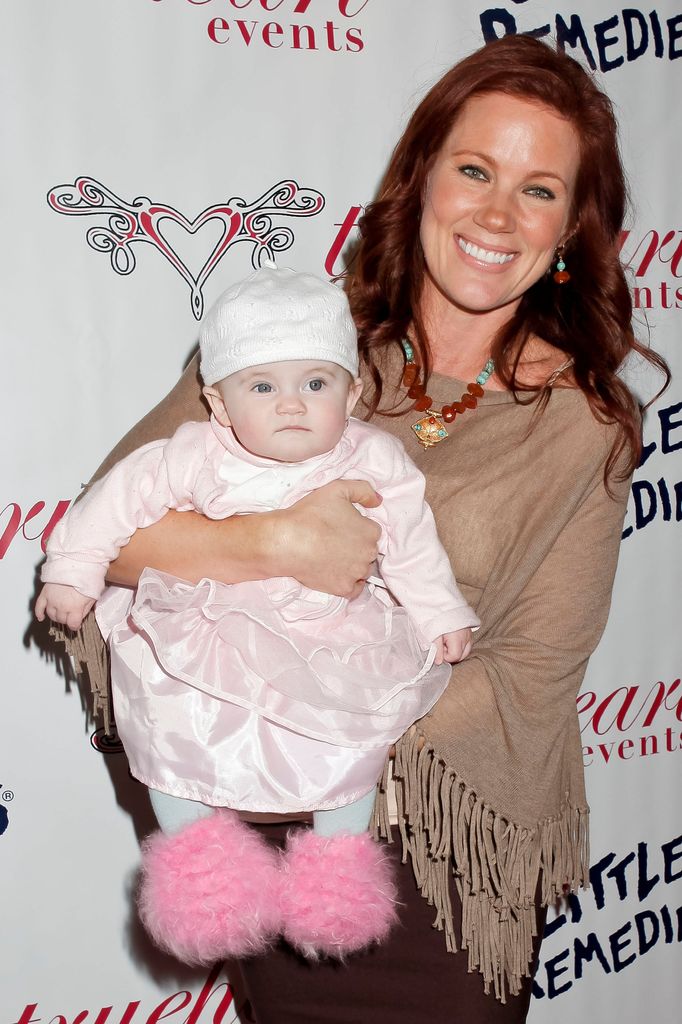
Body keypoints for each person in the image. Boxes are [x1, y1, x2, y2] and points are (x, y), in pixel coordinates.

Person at [49, 33, 668, 1024]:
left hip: (431, 863)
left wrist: (319, 735)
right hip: (255, 831)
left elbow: (531, 669)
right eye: (473, 169)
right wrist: (271, 545)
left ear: (569, 232)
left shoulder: (580, 426)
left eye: (539, 189)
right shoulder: (294, 340)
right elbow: (110, 521)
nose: (497, 214)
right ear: (420, 178)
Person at [36, 264, 478, 966]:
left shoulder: (376, 458)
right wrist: (72, 571)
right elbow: (110, 508)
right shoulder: (189, 455)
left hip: (328, 633)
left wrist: (438, 611)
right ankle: (198, 873)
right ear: (218, 403)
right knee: (175, 730)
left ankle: (335, 872)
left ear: (353, 393)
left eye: (316, 382)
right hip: (208, 628)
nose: (292, 404)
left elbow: (413, 545)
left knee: (351, 740)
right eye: (262, 386)